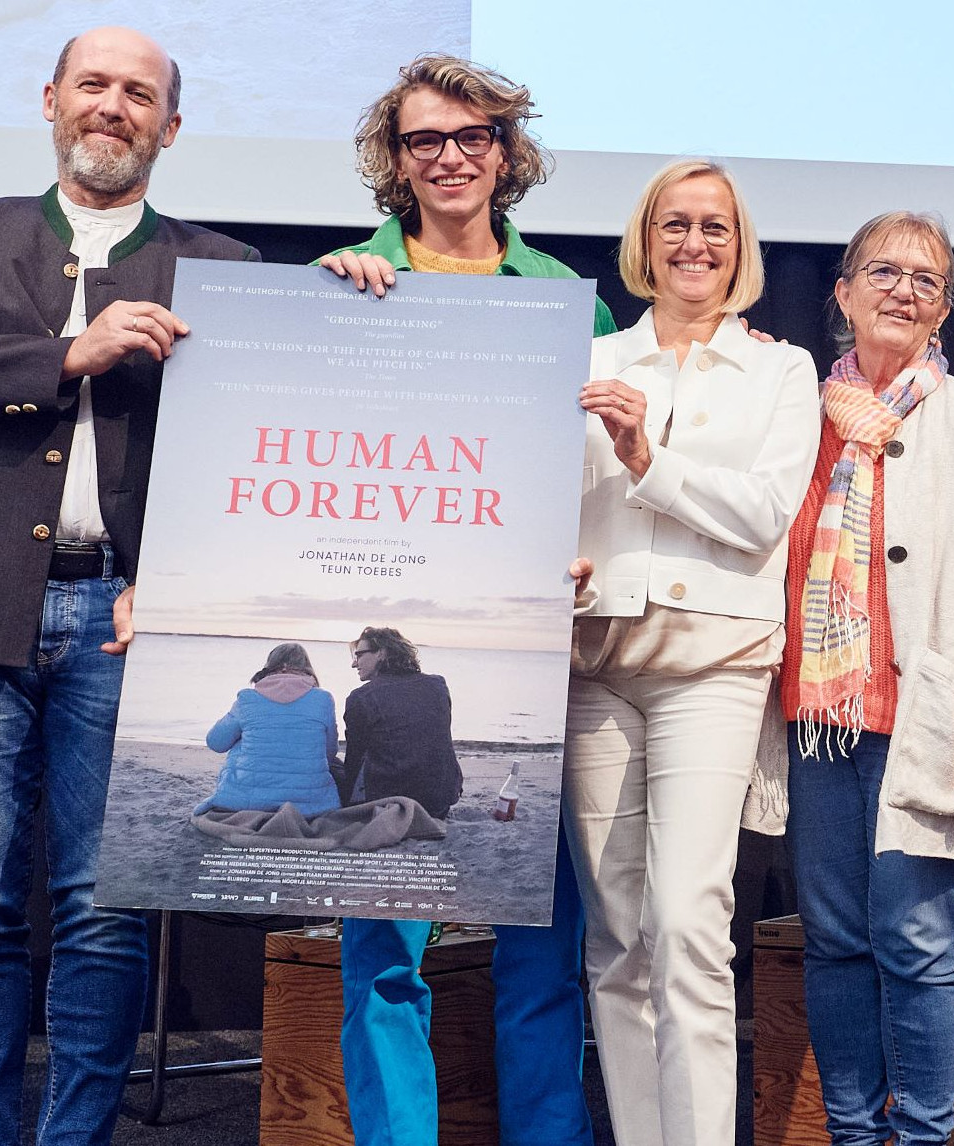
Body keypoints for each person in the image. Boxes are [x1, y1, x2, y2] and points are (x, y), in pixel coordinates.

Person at [0, 26, 257, 1146]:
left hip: (127, 623)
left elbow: (243, 460)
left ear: (170, 124)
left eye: (140, 93)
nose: (114, 107)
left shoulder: (224, 267)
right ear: (52, 100)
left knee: (105, 914)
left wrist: (358, 280)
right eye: (95, 86)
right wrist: (68, 352)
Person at [317, 55, 614, 1146]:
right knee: (383, 950)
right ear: (393, 163)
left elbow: (603, 482)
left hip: (524, 640)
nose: (448, 157)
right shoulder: (340, 287)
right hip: (394, 628)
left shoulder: (561, 301)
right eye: (423, 140)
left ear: (506, 153)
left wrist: (586, 557)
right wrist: (327, 317)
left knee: (538, 942)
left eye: (471, 137)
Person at [750, 210, 954, 1145]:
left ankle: (919, 1135)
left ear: (944, 308)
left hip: (923, 719)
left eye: (925, 281)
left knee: (917, 944)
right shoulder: (792, 411)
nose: (902, 292)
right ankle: (852, 1132)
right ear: (841, 292)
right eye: (883, 272)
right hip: (814, 719)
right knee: (835, 944)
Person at [564, 158, 820, 1146]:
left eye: (714, 226)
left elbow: (762, 516)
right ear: (644, 239)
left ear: (740, 245)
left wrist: (645, 460)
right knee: (618, 937)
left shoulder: (780, 369)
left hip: (712, 659)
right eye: (675, 224)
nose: (694, 244)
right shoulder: (592, 363)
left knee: (685, 926)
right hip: (595, 659)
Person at [196, 642, 341, 817]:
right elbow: (330, 752)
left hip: (243, 801)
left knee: (243, 737)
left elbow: (216, 742)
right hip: (312, 805)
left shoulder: (247, 698)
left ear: (270, 666)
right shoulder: (323, 699)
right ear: (306, 667)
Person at [337, 627, 462, 819]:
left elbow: (353, 759)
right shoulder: (437, 685)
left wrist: (343, 801)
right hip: (441, 799)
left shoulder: (361, 698)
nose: (354, 663)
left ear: (381, 653)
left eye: (359, 655)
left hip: (393, 804)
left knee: (335, 767)